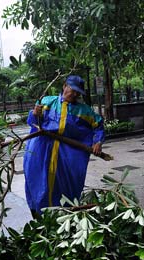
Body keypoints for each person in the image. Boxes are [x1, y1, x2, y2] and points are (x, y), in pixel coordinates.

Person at [23, 75, 105, 216]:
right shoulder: (47, 102)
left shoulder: (84, 110)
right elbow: (32, 121)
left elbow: (98, 125)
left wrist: (98, 142)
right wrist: (34, 113)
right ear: (64, 86)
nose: (74, 94)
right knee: (38, 182)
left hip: (68, 156)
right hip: (41, 151)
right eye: (72, 90)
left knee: (67, 186)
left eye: (77, 92)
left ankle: (65, 217)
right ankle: (39, 216)